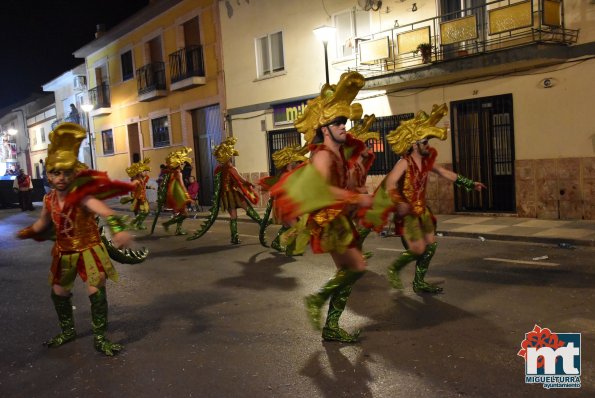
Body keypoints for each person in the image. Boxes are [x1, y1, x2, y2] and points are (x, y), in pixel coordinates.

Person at [16, 122, 135, 356]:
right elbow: (43, 223)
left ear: (74, 173)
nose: (60, 178)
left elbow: (106, 211)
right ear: (48, 175)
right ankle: (68, 331)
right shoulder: (49, 200)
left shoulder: (82, 197)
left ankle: (100, 337)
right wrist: (29, 231)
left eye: (66, 172)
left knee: (95, 290)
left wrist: (118, 230)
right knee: (58, 292)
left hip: (89, 250)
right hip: (64, 253)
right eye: (55, 173)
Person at [270, 72, 374, 343]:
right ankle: (317, 300)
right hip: (330, 219)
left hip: (338, 216)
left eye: (344, 121)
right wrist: (355, 198)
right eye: (337, 122)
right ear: (324, 129)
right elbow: (321, 189)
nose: (343, 126)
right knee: (356, 268)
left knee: (349, 270)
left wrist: (356, 189)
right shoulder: (323, 156)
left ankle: (330, 326)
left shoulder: (338, 152)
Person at [361, 104, 487, 293]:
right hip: (408, 214)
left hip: (423, 211)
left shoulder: (427, 162)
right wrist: (401, 202)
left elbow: (445, 172)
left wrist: (470, 183)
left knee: (430, 246)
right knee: (418, 249)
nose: (428, 145)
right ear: (415, 144)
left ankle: (419, 282)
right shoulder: (404, 162)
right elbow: (391, 184)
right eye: (425, 142)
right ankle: (394, 268)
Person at [187, 137, 264, 244]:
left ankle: (234, 237)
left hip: (225, 196)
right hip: (233, 194)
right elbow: (241, 180)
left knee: (233, 216)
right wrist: (250, 184)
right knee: (248, 208)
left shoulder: (219, 170)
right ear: (229, 158)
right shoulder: (231, 169)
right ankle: (262, 224)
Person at [258, 145, 308, 251]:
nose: (298, 164)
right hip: (285, 208)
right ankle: (289, 247)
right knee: (297, 228)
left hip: (288, 207)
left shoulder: (288, 174)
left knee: (288, 227)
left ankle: (280, 244)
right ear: (290, 163)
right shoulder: (286, 175)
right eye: (296, 161)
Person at [151, 147, 193, 235]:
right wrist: (187, 195)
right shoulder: (178, 173)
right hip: (179, 196)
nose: (182, 165)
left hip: (174, 196)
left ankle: (178, 230)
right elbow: (182, 185)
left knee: (181, 213)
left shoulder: (170, 173)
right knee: (185, 214)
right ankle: (167, 224)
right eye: (181, 163)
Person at [121, 158, 152, 229]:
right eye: (144, 171)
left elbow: (143, 187)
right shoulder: (137, 181)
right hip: (138, 198)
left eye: (146, 171)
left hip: (142, 198)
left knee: (143, 212)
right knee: (143, 212)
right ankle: (137, 223)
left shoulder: (141, 180)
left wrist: (149, 187)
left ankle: (138, 223)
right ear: (140, 172)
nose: (146, 173)